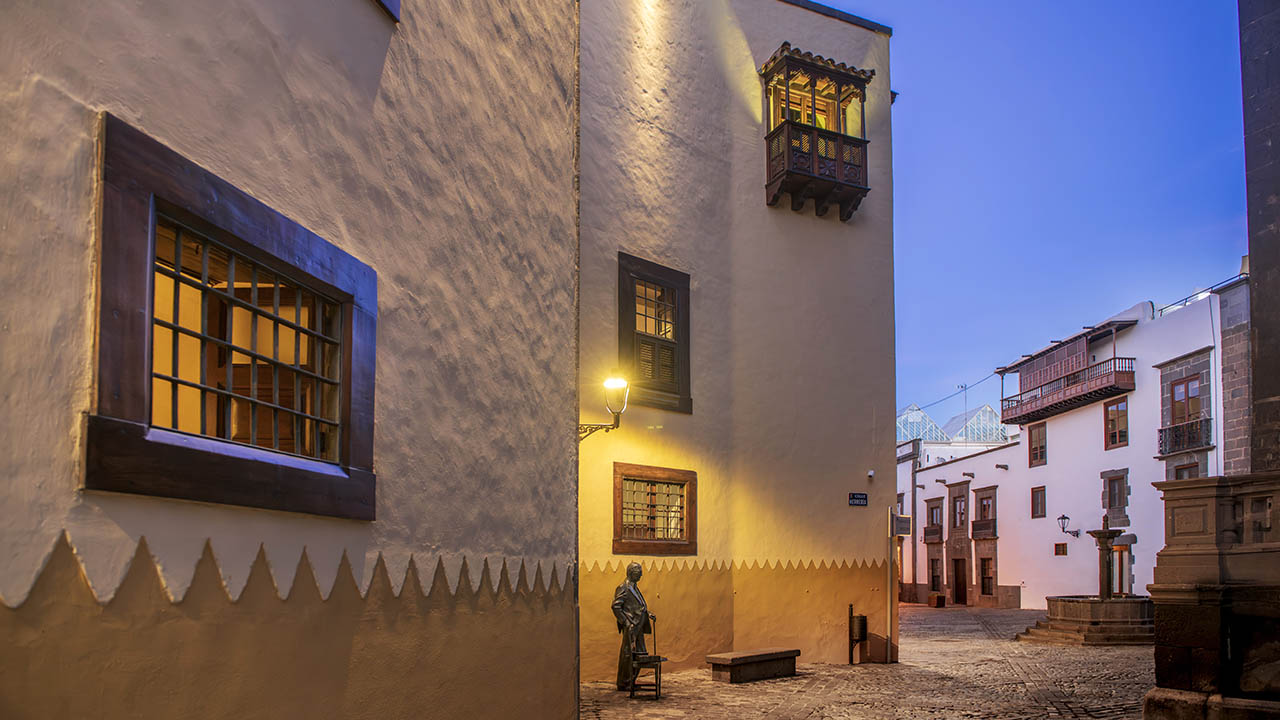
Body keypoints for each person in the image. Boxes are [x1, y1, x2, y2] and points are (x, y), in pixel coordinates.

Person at [611, 562, 655, 690]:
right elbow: (616, 606)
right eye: (638, 573)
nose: (641, 575)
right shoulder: (623, 587)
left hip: (639, 625)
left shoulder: (634, 587)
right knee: (628, 654)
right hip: (631, 626)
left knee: (640, 654)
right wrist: (626, 622)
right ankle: (624, 683)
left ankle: (631, 681)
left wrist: (648, 613)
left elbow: (638, 606)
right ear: (631, 573)